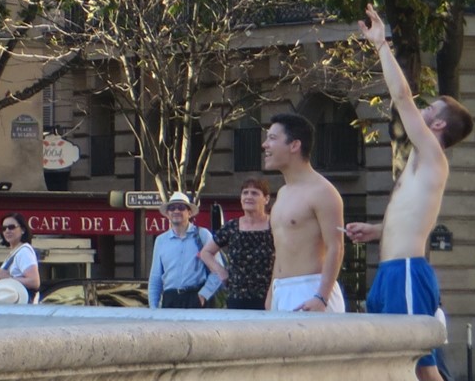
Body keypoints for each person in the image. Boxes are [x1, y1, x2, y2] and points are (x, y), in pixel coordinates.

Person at [345, 4, 475, 381]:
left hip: (405, 273)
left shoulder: (432, 155)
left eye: (430, 111)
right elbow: (412, 220)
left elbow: (401, 97)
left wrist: (382, 44)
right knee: (394, 368)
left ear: (438, 126)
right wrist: (376, 232)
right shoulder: (420, 163)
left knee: (422, 369)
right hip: (392, 270)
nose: (421, 113)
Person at [262, 113, 345, 312]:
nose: (265, 145)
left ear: (294, 145)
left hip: (312, 290)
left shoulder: (323, 191)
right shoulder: (282, 193)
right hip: (281, 291)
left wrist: (321, 297)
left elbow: (336, 247)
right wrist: (271, 296)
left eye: (272, 138)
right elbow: (281, 250)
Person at [200, 178, 274, 310]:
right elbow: (205, 253)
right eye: (245, 193)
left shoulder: (275, 225)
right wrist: (220, 271)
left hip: (270, 297)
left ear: (266, 199)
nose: (248, 197)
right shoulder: (232, 227)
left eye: (255, 193)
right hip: (237, 298)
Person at [148, 192, 221, 309]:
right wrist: (153, 307)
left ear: (189, 212)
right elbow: (155, 277)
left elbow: (218, 270)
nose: (176, 211)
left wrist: (204, 294)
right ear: (167, 213)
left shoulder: (203, 235)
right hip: (170, 299)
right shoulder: (160, 240)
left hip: (195, 297)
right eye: (172, 208)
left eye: (181, 207)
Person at [0, 213, 40, 302]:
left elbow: (34, 282)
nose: (7, 231)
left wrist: (8, 278)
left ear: (23, 230)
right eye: (3, 228)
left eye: (11, 227)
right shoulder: (15, 253)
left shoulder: (24, 252)